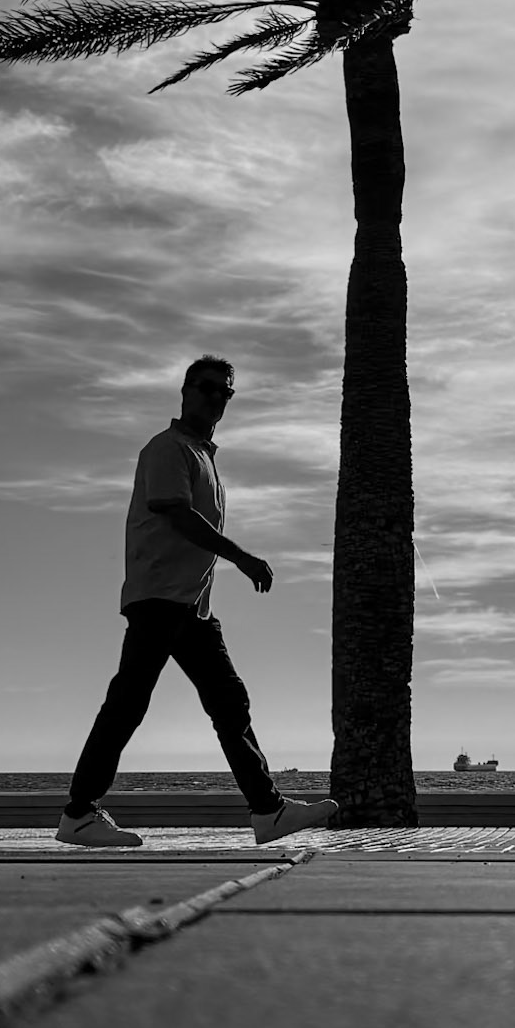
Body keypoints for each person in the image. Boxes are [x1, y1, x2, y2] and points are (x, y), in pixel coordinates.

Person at [57, 355, 336, 848]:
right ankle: (78, 813)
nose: (215, 399)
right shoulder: (167, 449)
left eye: (225, 393)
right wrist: (242, 557)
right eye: (207, 388)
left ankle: (268, 811)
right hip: (160, 599)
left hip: (192, 607)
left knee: (229, 702)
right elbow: (178, 516)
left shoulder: (204, 457)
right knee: (127, 706)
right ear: (185, 391)